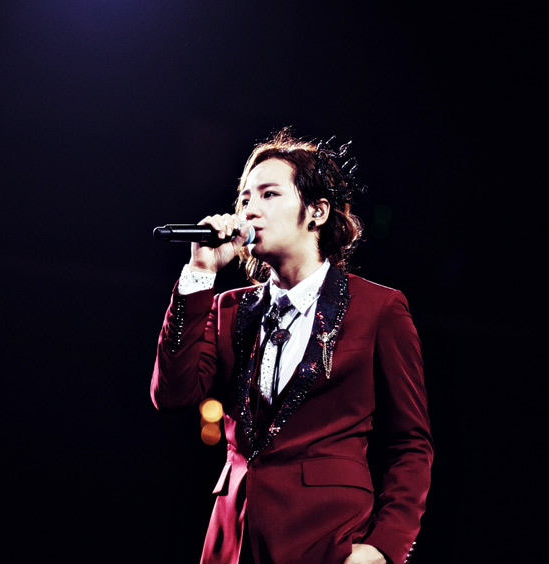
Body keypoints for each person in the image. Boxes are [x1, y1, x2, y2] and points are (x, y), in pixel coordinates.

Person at [150, 129, 433, 564]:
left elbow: (411, 444)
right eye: (245, 199)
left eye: (269, 194)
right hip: (231, 542)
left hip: (324, 541)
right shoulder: (229, 309)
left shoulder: (379, 309)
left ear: (316, 211)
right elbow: (173, 394)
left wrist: (384, 546)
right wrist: (201, 272)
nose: (249, 210)